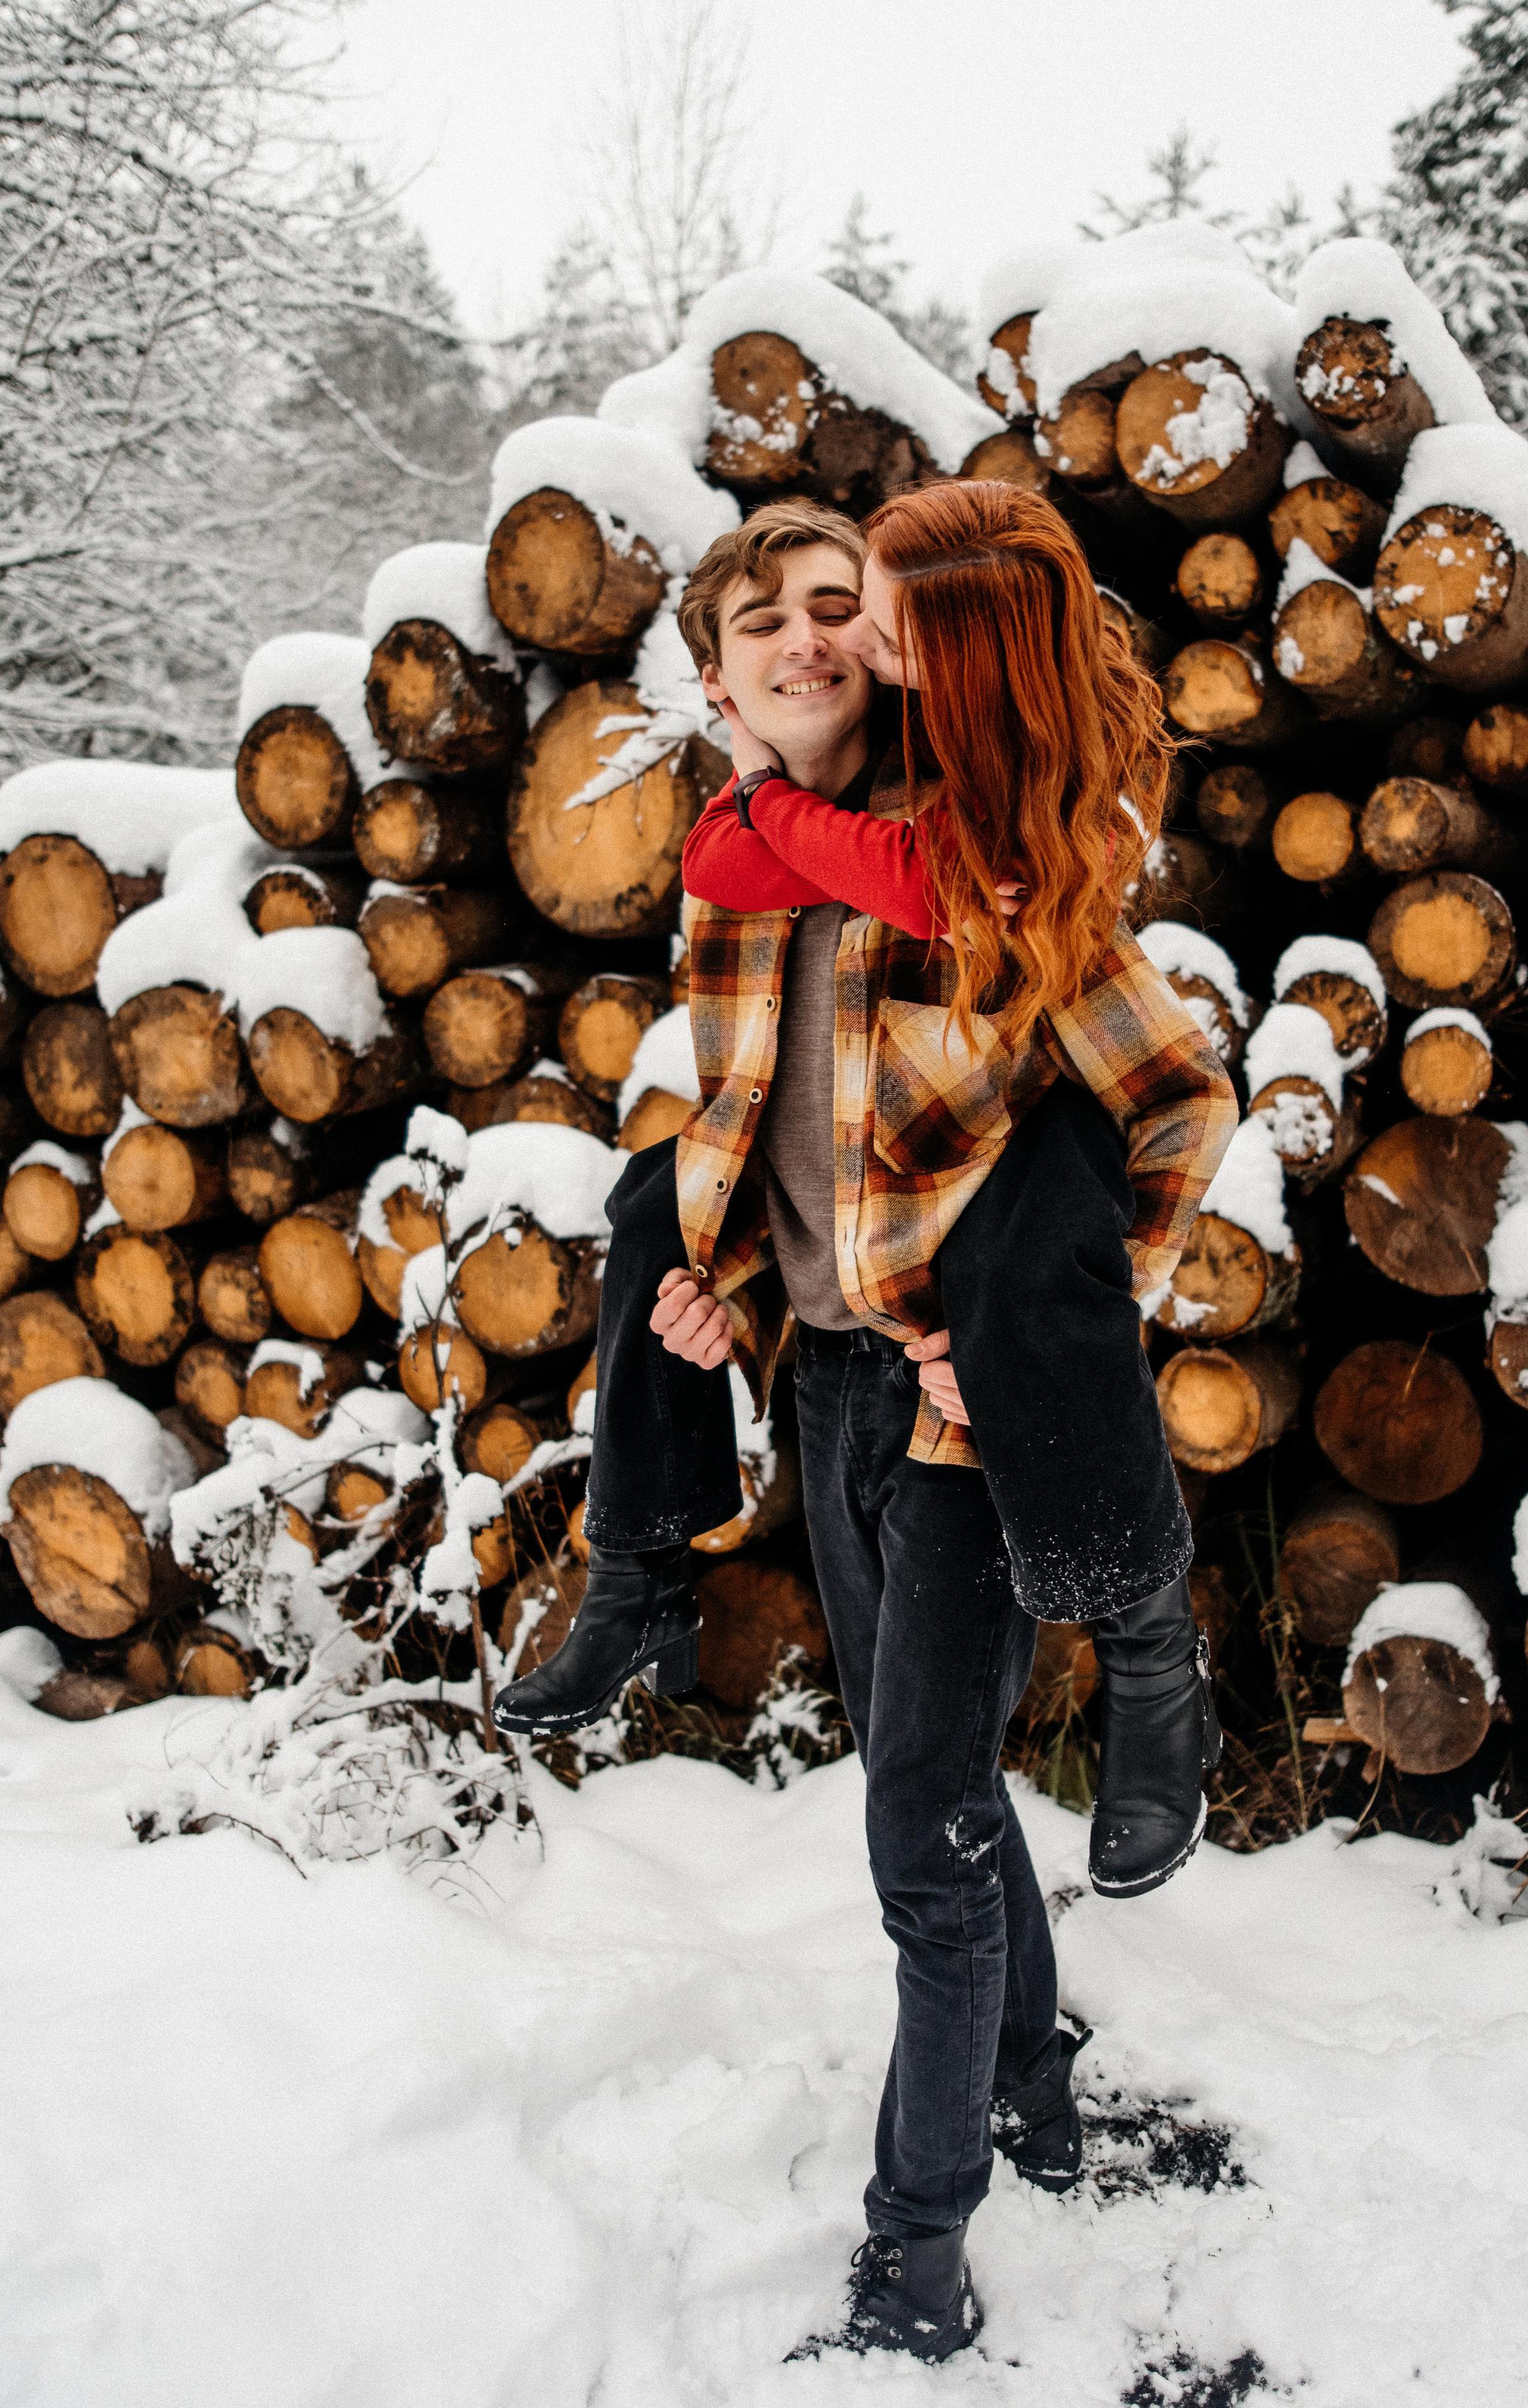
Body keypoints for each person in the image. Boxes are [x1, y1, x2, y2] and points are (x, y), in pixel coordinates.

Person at [497, 487, 1236, 2361]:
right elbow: (787, 1150)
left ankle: (918, 2242)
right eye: (771, 623)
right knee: (954, 1792)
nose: (815, 638)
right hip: (828, 1388)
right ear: (720, 670)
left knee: (915, 1835)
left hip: (959, 1415)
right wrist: (727, 1294)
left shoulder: (986, 852)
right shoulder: (741, 879)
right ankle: (1039, 2094)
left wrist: (1054, 1323)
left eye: (846, 608)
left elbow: (1177, 1098)